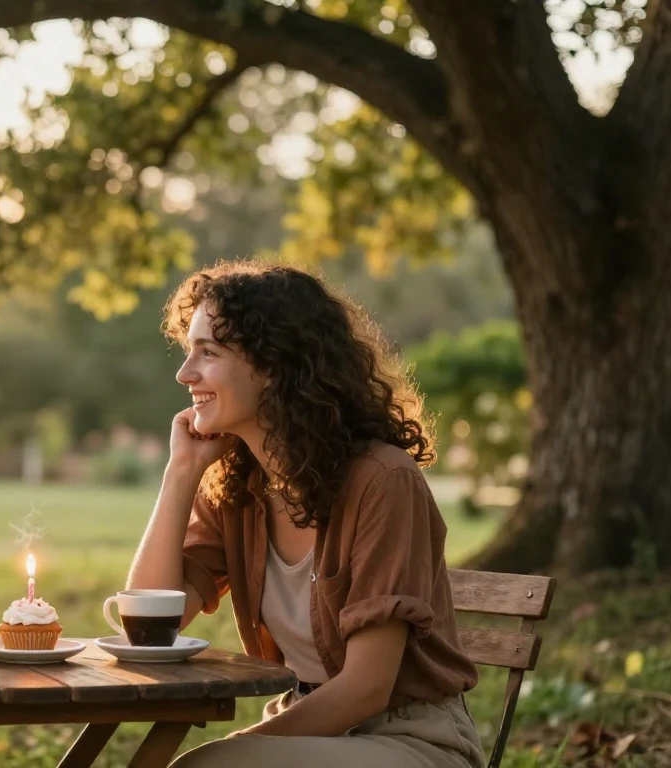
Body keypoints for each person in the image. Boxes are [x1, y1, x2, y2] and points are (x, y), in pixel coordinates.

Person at [128, 261, 485, 767]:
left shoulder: (384, 480)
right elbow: (148, 628)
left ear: (273, 365)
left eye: (208, 352)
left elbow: (366, 688)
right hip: (311, 731)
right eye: (190, 351)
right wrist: (181, 472)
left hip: (411, 740)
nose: (185, 374)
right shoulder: (239, 486)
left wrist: (243, 744)